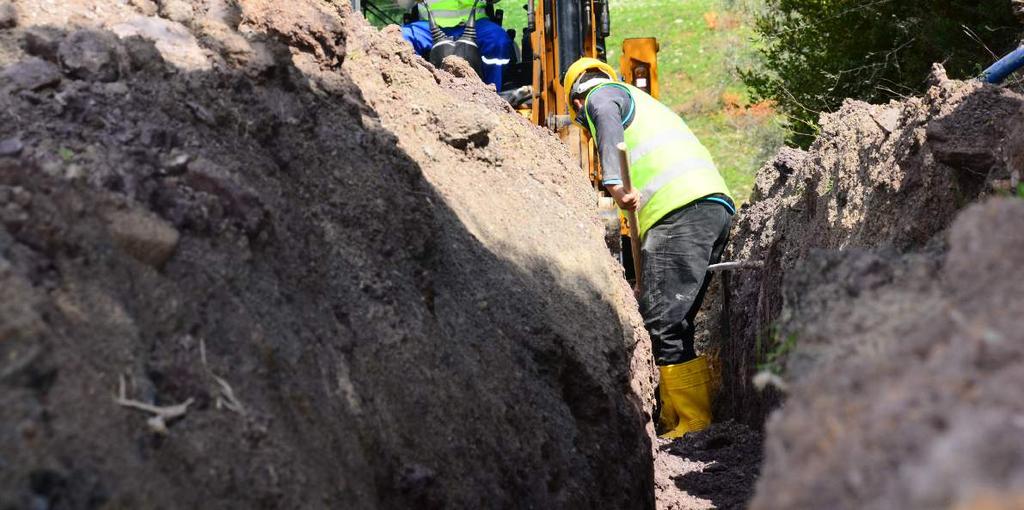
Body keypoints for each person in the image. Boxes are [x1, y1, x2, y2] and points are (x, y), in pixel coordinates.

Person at [563, 58, 735, 439]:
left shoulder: (600, 95)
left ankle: (693, 424)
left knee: (662, 320)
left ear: (575, 102)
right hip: (707, 207)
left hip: (680, 211)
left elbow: (605, 119)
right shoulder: (642, 101)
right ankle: (677, 418)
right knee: (675, 317)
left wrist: (613, 183)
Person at [398, 0, 514, 90]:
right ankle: (415, 96)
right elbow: (403, 3)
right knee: (400, 39)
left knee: (499, 41)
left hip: (476, 23)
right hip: (428, 25)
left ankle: (494, 97)